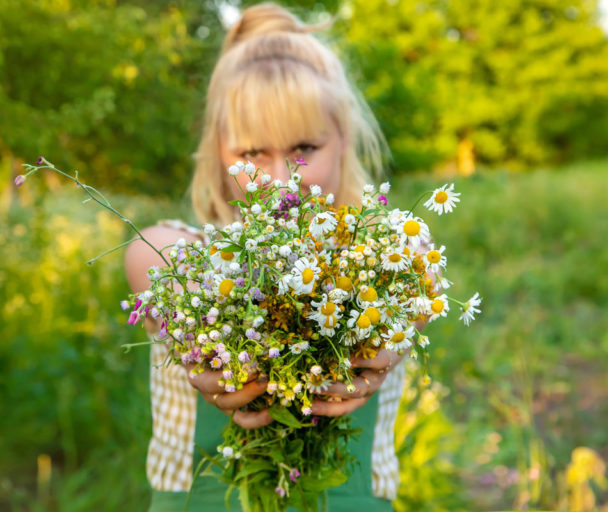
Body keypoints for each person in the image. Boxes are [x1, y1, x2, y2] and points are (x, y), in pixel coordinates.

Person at [125, 4, 408, 511]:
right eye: (253, 154)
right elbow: (153, 254)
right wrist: (201, 340)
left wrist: (382, 344)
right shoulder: (177, 251)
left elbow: (417, 264)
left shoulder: (389, 258)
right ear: (217, 150)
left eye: (303, 149)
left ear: (342, 140)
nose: (280, 181)